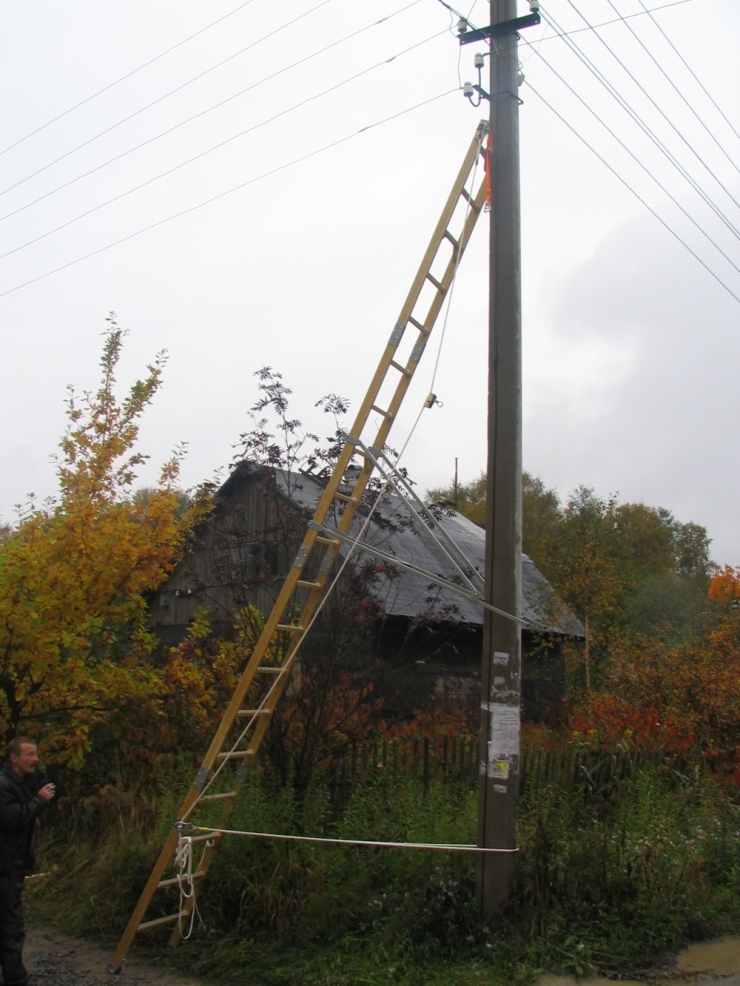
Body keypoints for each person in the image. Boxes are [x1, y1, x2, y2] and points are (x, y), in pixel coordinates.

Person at [0, 737, 55, 986]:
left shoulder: (18, 783)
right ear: (14, 758)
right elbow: (11, 819)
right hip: (5, 866)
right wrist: (39, 801)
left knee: (9, 922)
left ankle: (14, 974)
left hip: (12, 864)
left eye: (35, 754)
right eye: (30, 755)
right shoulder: (3, 785)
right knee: (11, 924)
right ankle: (15, 979)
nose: (35, 759)